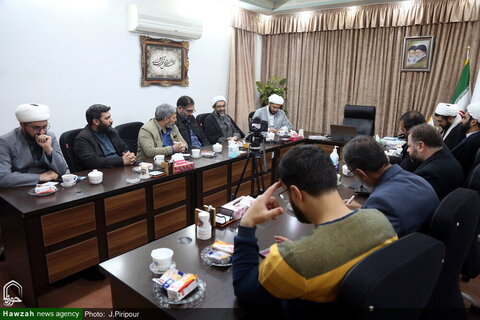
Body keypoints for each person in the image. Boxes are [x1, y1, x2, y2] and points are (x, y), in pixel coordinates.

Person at [232, 145, 397, 307]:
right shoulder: (380, 221)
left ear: (296, 193)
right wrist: (303, 251)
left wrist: (247, 223)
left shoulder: (293, 261)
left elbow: (243, 289)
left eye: (286, 193)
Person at [343, 136, 439, 237]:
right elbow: (400, 210)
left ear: (361, 174)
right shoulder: (418, 180)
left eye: (351, 172)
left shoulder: (380, 201)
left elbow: (367, 241)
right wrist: (364, 209)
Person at [0, 103, 67, 187]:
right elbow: (2, 178)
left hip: (49, 185)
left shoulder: (50, 137)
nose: (42, 132)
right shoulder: (5, 142)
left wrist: (49, 150)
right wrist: (39, 177)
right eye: (36, 128)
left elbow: (62, 170)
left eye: (45, 126)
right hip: (21, 188)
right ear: (22, 125)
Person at [408, 124, 464, 200]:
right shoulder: (444, 154)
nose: (408, 150)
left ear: (420, 146)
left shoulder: (429, 174)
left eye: (410, 146)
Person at [75, 104, 136, 170]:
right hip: (103, 172)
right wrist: (121, 161)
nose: (111, 120)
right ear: (96, 121)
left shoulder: (111, 131)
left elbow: (124, 148)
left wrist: (129, 156)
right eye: (107, 118)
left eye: (110, 117)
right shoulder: (82, 139)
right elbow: (93, 162)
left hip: (120, 168)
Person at [452, 102, 480, 177]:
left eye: (464, 118)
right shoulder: (471, 137)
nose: (461, 121)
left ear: (473, 122)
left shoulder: (472, 142)